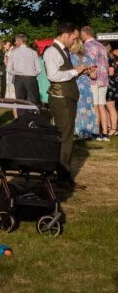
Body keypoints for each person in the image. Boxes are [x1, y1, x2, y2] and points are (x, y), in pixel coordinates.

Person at [44, 22, 94, 190]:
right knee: (65, 138)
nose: (75, 41)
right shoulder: (52, 51)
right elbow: (53, 76)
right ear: (65, 35)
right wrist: (75, 71)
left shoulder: (61, 51)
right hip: (61, 99)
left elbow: (63, 75)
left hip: (66, 97)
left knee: (63, 137)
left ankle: (58, 174)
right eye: (74, 38)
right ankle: (63, 178)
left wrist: (80, 72)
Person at [82, 27, 110, 140]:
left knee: (95, 106)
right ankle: (105, 134)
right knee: (102, 105)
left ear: (84, 34)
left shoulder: (86, 46)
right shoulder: (101, 46)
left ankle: (96, 133)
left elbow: (88, 63)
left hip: (93, 79)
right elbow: (106, 63)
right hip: (104, 78)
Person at [72, 38, 99, 140]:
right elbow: (94, 76)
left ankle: (73, 130)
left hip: (73, 85)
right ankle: (87, 131)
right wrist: (90, 71)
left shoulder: (69, 58)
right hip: (85, 87)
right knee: (86, 110)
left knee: (73, 108)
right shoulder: (87, 58)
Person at [7, 34, 42, 107]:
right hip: (31, 78)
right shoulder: (33, 52)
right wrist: (32, 74)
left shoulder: (13, 52)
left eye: (16, 41)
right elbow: (39, 69)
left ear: (19, 41)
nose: (15, 43)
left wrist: (16, 73)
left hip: (18, 78)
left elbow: (8, 69)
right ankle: (35, 114)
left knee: (20, 102)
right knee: (35, 101)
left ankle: (22, 115)